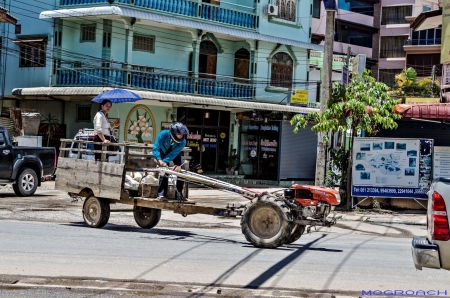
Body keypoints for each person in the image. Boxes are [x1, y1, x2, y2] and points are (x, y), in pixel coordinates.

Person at [152, 122, 189, 201]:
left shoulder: (183, 141)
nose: (181, 136)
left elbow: (173, 154)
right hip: (162, 152)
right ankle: (161, 195)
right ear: (173, 132)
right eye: (179, 134)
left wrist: (165, 161)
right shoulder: (163, 134)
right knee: (164, 171)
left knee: (181, 170)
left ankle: (179, 194)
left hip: (174, 153)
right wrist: (159, 160)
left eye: (182, 134)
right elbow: (156, 148)